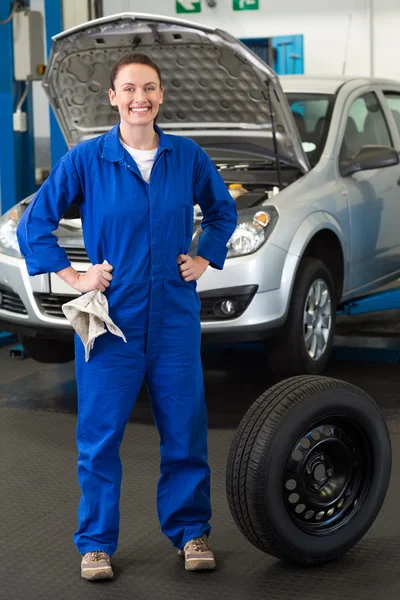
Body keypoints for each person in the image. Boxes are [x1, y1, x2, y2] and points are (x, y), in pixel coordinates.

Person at [17, 52, 238, 581]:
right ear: (113, 97)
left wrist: (205, 255)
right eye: (130, 88)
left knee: (184, 431)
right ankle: (95, 543)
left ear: (161, 97)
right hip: (111, 323)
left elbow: (223, 210)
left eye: (150, 88)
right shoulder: (86, 160)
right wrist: (76, 277)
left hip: (174, 320)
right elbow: (35, 225)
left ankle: (191, 533)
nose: (140, 97)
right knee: (99, 438)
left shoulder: (185, 157)